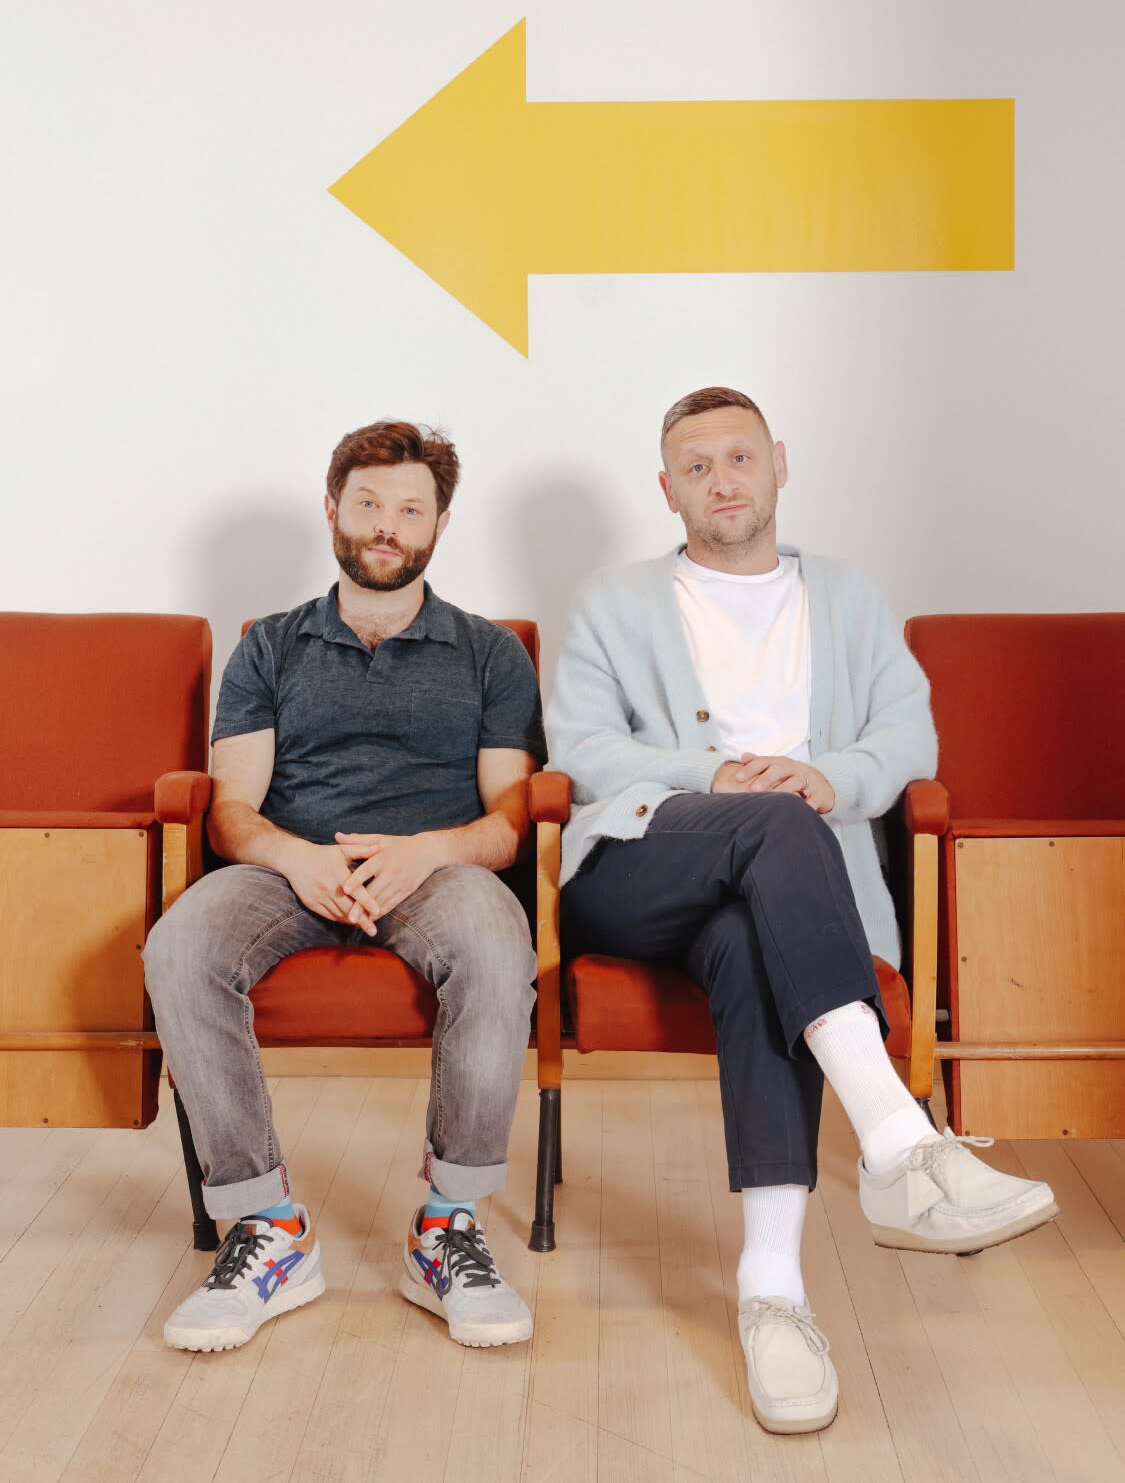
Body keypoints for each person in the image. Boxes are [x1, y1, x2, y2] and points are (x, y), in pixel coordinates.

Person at [545, 386, 1058, 1435]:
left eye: (739, 458)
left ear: (779, 464)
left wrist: (831, 778)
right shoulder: (614, 600)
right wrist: (722, 775)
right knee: (775, 822)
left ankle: (771, 1295)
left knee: (753, 939)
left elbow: (908, 740)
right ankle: (903, 1149)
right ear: (667, 490)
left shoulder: (849, 596)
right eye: (697, 468)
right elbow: (585, 754)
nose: (722, 481)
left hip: (774, 890)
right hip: (640, 865)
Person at [146, 420, 545, 1354]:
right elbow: (233, 812)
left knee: (496, 941)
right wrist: (299, 858)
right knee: (181, 944)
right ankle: (267, 1227)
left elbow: (508, 819)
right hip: (290, 866)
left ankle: (448, 1226)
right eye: (367, 504)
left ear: (440, 523)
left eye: (410, 509)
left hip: (434, 871)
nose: (385, 526)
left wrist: (427, 852)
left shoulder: (492, 653)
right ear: (332, 509)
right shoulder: (269, 648)